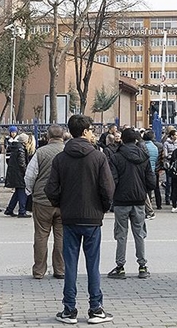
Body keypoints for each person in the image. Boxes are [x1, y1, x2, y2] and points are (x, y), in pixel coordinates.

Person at [45, 114, 115, 324]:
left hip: (69, 217)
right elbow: (107, 188)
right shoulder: (98, 157)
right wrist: (102, 208)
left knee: (70, 265)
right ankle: (95, 309)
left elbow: (51, 188)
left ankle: (69, 309)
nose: (93, 134)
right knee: (93, 265)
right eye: (92, 130)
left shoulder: (60, 158)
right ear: (84, 132)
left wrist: (61, 204)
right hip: (92, 218)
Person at [106, 128, 155, 281]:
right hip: (139, 200)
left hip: (121, 200)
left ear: (122, 140)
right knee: (139, 233)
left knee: (121, 234)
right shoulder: (144, 156)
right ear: (135, 140)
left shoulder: (116, 157)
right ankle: (142, 266)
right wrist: (143, 190)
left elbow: (112, 180)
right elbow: (151, 181)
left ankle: (120, 267)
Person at [24, 125, 67, 280]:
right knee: (61, 236)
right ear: (63, 136)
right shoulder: (67, 152)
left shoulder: (40, 152)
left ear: (47, 137)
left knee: (41, 235)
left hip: (42, 200)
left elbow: (30, 176)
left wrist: (31, 192)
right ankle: (60, 270)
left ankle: (39, 270)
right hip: (63, 201)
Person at [4, 133, 31, 218]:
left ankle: (10, 209)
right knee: (22, 191)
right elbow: (22, 163)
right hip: (20, 174)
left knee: (17, 192)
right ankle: (22, 211)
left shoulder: (15, 147)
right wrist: (27, 172)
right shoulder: (21, 149)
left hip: (15, 173)